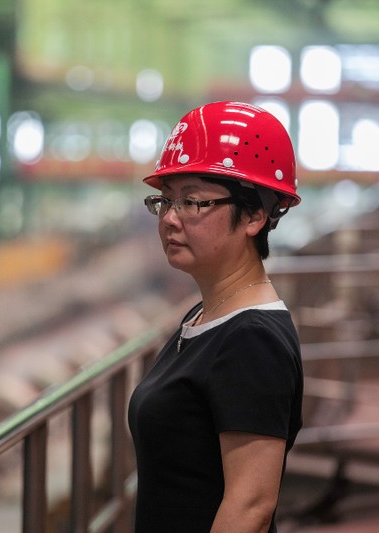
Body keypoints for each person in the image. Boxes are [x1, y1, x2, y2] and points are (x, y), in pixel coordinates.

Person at [127, 101, 304, 533]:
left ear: (255, 216)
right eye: (165, 201)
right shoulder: (207, 315)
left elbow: (250, 508)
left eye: (193, 202)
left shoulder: (251, 340)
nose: (170, 219)